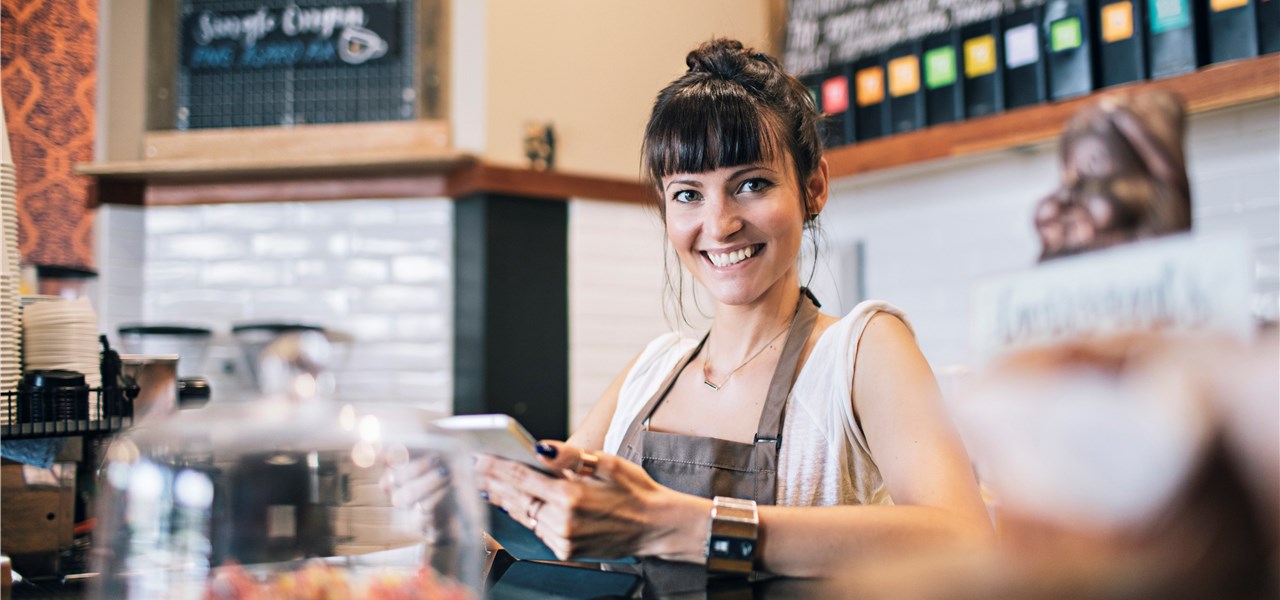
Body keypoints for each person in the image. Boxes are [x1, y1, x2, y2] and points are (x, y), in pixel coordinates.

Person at [472, 38, 991, 586]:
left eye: (751, 184)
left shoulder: (863, 351)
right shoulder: (653, 369)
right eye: (688, 194)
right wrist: (464, 525)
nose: (719, 225)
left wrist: (675, 524)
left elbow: (967, 544)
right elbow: (573, 555)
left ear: (813, 188)